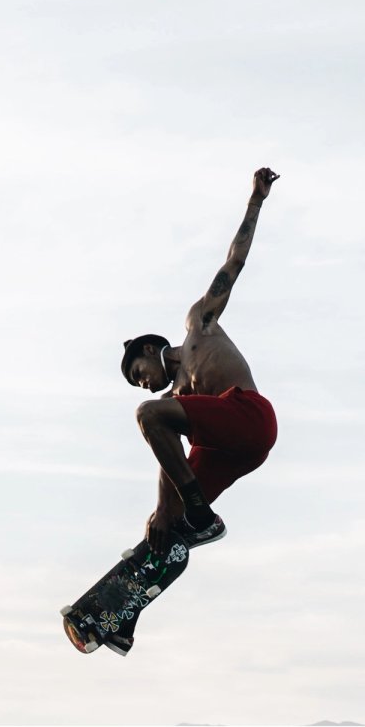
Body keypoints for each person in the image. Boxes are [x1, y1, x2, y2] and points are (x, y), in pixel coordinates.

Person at [121, 167, 280, 556]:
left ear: (148, 349)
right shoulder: (174, 400)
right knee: (170, 518)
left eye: (138, 374)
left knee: (150, 412)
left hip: (249, 415)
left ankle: (197, 513)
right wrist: (161, 510)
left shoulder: (199, 325)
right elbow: (169, 460)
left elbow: (233, 263)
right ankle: (122, 610)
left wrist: (255, 201)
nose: (142, 382)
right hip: (230, 446)